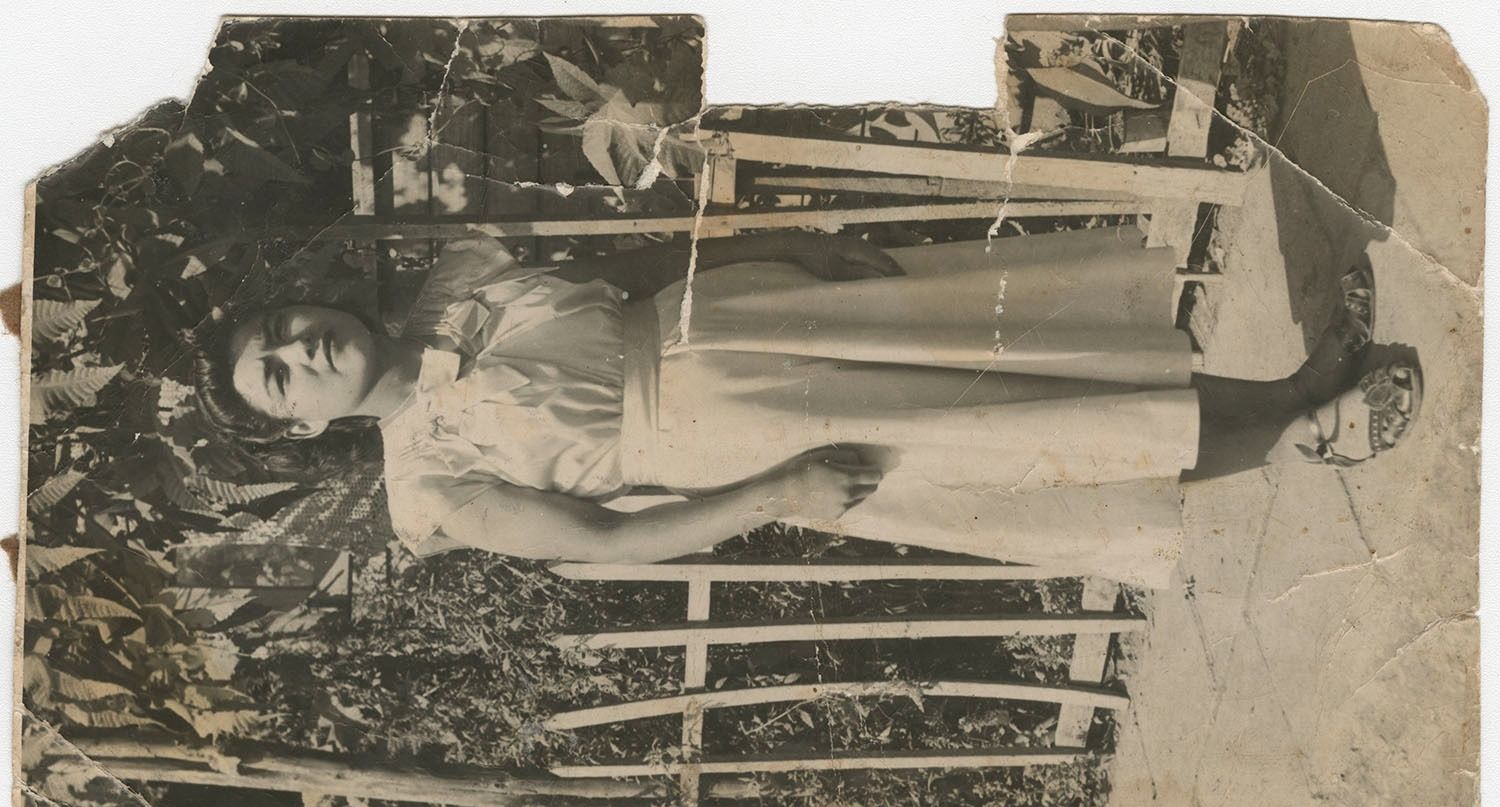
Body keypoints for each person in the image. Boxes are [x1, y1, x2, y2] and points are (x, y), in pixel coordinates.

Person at [192, 228, 1421, 587]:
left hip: (744, 316)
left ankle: (1293, 389)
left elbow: (634, 270)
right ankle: (1304, 431)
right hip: (746, 436)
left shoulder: (457, 281)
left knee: (1045, 370)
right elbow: (611, 539)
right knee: (1027, 436)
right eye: (279, 373)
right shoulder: (428, 488)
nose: (301, 347)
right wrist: (775, 493)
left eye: (284, 327)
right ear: (303, 426)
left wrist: (787, 253)